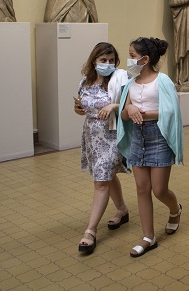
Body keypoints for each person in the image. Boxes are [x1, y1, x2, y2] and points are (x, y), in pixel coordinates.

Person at [117, 37, 184, 258]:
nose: (129, 60)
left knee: (159, 190)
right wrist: (130, 110)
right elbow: (124, 115)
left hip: (159, 137)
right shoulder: (130, 84)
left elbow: (171, 111)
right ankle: (148, 237)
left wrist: (143, 114)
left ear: (145, 59)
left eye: (132, 56)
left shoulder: (163, 80)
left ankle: (175, 210)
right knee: (142, 188)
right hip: (138, 139)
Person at [74, 42, 130, 254]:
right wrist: (78, 108)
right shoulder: (86, 81)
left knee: (101, 181)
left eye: (111, 60)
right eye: (103, 60)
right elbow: (82, 105)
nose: (108, 64)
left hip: (112, 135)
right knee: (108, 175)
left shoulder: (119, 80)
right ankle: (122, 210)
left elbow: (129, 105)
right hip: (92, 136)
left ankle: (90, 231)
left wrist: (113, 105)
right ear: (94, 61)